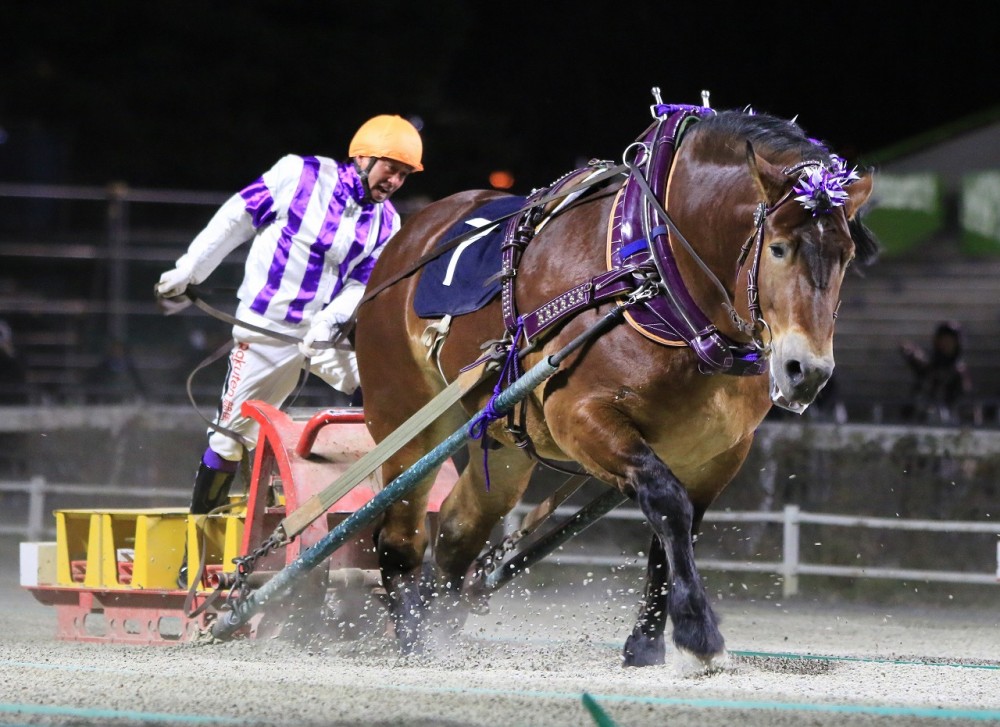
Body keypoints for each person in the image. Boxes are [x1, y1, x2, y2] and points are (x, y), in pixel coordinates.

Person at [154, 115, 423, 587]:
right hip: (265, 332)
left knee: (386, 402)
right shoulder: (298, 175)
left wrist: (328, 324)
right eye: (391, 168)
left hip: (325, 337)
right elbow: (237, 216)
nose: (395, 181)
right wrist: (190, 269)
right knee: (229, 440)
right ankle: (197, 557)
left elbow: (362, 284)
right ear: (362, 156)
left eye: (404, 175)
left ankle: (390, 541)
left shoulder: (388, 221)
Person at [899, 320, 973, 424]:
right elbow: (921, 366)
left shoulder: (958, 372)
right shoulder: (931, 367)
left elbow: (963, 400)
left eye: (950, 342)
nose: (945, 345)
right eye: (943, 341)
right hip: (921, 416)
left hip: (946, 419)